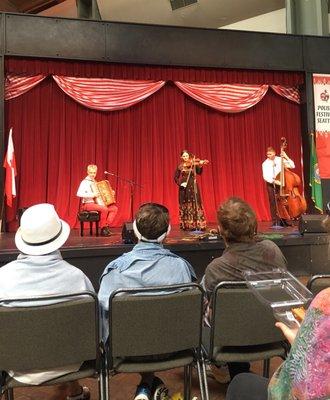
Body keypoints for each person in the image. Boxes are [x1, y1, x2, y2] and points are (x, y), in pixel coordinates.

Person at [98, 202, 196, 400]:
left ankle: (147, 383)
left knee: (139, 331)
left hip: (127, 351)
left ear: (134, 229)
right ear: (168, 231)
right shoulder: (182, 268)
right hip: (175, 347)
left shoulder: (115, 271)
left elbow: (102, 318)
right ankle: (148, 383)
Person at [0, 203, 94, 400]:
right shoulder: (78, 278)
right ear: (59, 239)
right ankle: (75, 391)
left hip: (15, 365)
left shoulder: (3, 278)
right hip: (71, 364)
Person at [202, 197, 288, 380]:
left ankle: (226, 368)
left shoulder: (216, 269)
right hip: (273, 333)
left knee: (200, 304)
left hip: (232, 337)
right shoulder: (273, 250)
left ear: (221, 230)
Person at [225, 287, 330, 400]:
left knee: (240, 383)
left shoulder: (325, 301)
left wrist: (300, 346)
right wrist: (302, 343)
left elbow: (291, 391)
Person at [77, 164, 118, 237]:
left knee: (114, 208)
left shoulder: (95, 182)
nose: (93, 174)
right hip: (88, 204)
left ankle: (106, 226)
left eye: (94, 172)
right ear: (87, 172)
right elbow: (79, 193)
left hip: (97, 204)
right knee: (104, 209)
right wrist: (93, 195)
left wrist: (110, 193)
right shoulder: (84, 182)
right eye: (91, 172)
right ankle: (103, 229)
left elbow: (101, 195)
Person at [174, 150, 207, 231]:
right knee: (185, 204)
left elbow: (199, 172)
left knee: (196, 203)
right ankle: (187, 224)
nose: (185, 157)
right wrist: (180, 184)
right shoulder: (180, 166)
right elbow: (175, 177)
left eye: (187, 156)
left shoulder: (193, 163)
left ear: (189, 156)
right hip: (184, 187)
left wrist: (201, 165)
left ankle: (198, 224)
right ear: (181, 157)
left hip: (193, 185)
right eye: (184, 156)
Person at [262, 146, 295, 227]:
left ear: (274, 153)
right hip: (271, 184)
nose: (268, 156)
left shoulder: (280, 159)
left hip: (281, 184)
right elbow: (265, 176)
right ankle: (275, 221)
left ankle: (286, 219)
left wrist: (286, 156)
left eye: (270, 154)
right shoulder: (265, 163)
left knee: (283, 202)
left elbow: (292, 165)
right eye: (267, 154)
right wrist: (274, 181)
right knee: (273, 202)